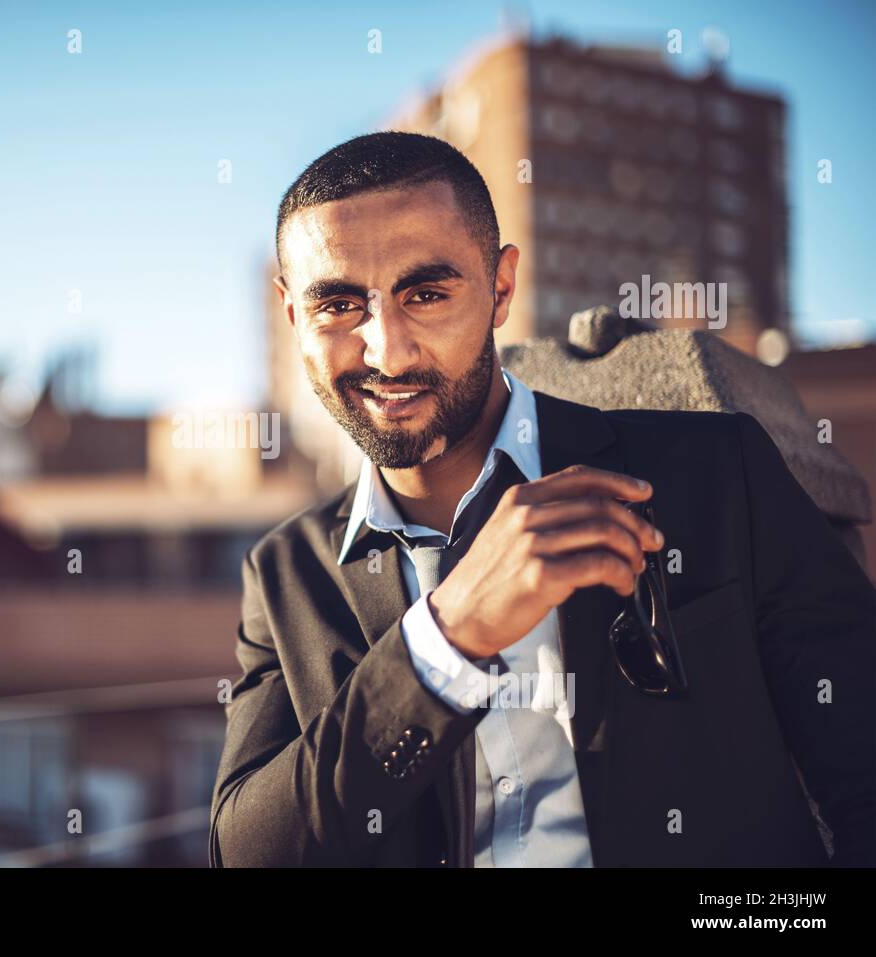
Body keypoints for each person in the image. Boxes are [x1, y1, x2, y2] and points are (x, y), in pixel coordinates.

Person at [209, 132, 876, 867]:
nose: (387, 353)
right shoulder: (282, 575)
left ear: (500, 288)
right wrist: (444, 637)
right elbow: (245, 852)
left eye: (426, 293)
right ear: (293, 315)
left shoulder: (716, 472)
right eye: (337, 303)